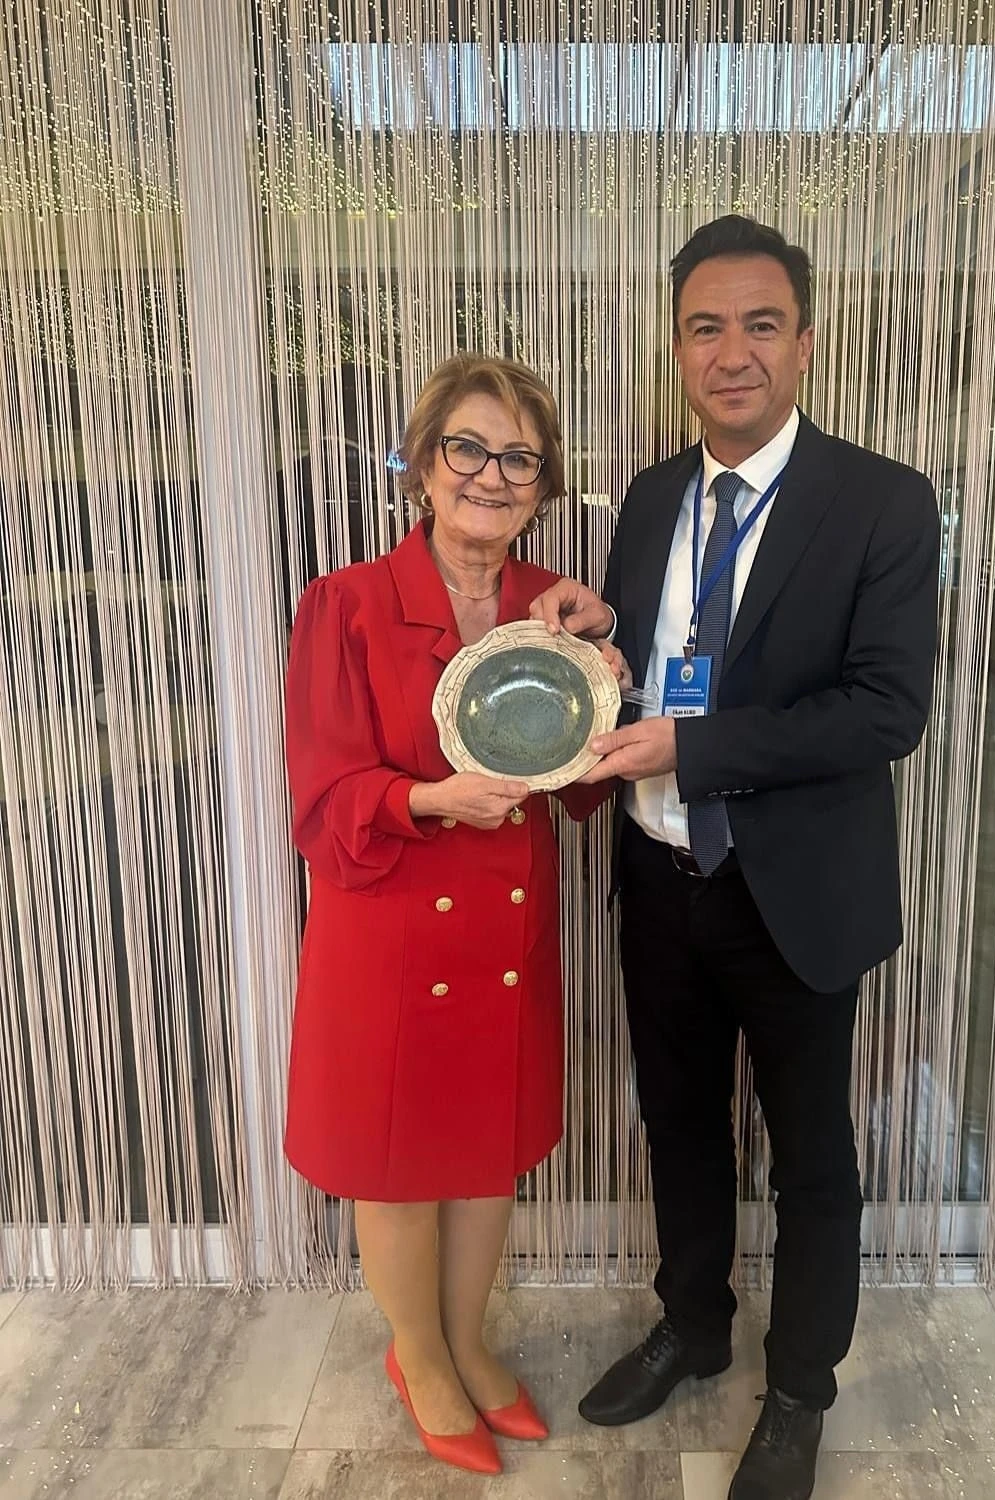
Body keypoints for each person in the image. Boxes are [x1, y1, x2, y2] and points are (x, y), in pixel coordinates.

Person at [531, 215, 940, 1500]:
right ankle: (694, 1327)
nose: (733, 352)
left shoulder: (882, 500)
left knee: (812, 1159)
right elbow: (656, 674)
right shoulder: (655, 496)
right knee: (679, 1126)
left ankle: (801, 1388)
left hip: (796, 892)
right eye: (705, 327)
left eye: (762, 324)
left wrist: (693, 749)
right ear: (678, 349)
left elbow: (886, 711)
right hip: (662, 880)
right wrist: (598, 641)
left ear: (805, 342)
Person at [283, 353, 619, 1477]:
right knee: (398, 1162)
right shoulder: (347, 605)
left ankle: (470, 1342)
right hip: (387, 928)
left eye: (520, 459)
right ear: (423, 464)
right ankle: (419, 1356)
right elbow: (323, 798)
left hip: (504, 934)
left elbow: (582, 781)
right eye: (467, 448)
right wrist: (429, 798)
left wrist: (607, 678)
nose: (491, 475)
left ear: (543, 487)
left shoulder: (550, 610)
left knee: (483, 1156)